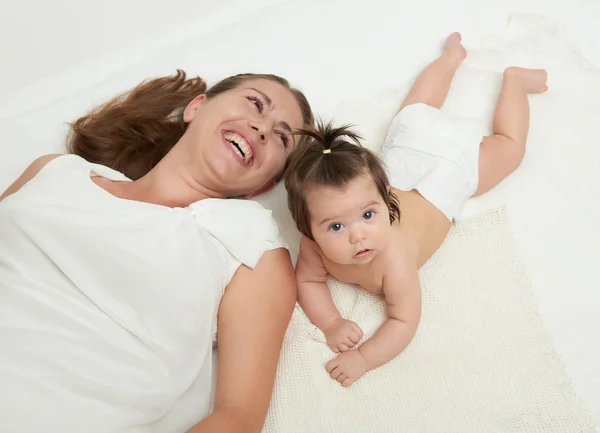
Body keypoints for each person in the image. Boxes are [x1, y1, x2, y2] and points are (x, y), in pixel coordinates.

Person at [0, 70, 313, 433]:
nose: (262, 129)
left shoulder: (251, 246)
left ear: (266, 183)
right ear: (196, 107)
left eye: (281, 137)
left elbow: (239, 416)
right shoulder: (55, 171)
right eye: (255, 104)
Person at [284, 33, 547, 387]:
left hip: (444, 177)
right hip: (407, 159)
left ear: (383, 201)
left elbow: (403, 322)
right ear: (308, 229)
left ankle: (507, 79)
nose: (358, 234)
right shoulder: (314, 247)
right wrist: (331, 322)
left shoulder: (394, 261)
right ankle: (452, 61)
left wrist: (363, 357)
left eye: (368, 215)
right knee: (415, 111)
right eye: (335, 227)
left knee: (509, 148)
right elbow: (307, 279)